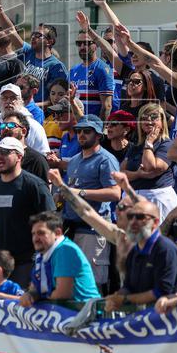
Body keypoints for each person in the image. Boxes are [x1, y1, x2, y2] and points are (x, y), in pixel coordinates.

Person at [0, 137, 52, 286]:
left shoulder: (34, 185)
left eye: (6, 152)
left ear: (19, 156)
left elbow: (51, 220)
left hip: (27, 261)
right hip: (2, 262)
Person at [59, 114, 120, 294]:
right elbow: (72, 190)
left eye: (87, 131)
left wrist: (80, 193)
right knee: (71, 282)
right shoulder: (75, 160)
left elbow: (115, 193)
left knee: (93, 283)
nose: (81, 135)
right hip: (71, 227)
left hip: (94, 230)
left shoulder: (105, 159)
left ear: (99, 135)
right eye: (79, 131)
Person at [104, 199, 177, 312]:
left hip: (169, 321)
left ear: (155, 222)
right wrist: (115, 298)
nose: (133, 221)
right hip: (144, 321)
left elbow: (161, 292)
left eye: (140, 217)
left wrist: (124, 299)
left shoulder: (165, 249)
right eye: (130, 216)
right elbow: (128, 287)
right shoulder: (134, 251)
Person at [19, 211, 101, 306]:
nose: (35, 238)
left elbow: (62, 294)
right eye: (33, 234)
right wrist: (29, 295)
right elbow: (35, 288)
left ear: (57, 233)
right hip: (65, 313)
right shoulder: (42, 253)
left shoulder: (65, 249)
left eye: (41, 233)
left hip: (85, 313)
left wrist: (38, 298)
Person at [120, 103, 176, 221]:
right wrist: (138, 174)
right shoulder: (135, 146)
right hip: (133, 197)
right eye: (144, 118)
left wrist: (149, 143)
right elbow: (122, 173)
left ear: (162, 121)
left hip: (157, 197)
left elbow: (150, 167)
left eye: (154, 117)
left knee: (156, 236)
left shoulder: (167, 144)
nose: (149, 121)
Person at [0, 83, 50, 167]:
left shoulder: (33, 126)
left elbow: (43, 157)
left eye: (13, 98)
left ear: (21, 101)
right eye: (5, 98)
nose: (8, 101)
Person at [70, 29, 114, 120]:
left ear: (96, 44)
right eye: (79, 43)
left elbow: (107, 106)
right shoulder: (73, 71)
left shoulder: (102, 69)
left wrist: (100, 129)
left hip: (93, 127)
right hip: (76, 125)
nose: (82, 47)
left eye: (86, 43)